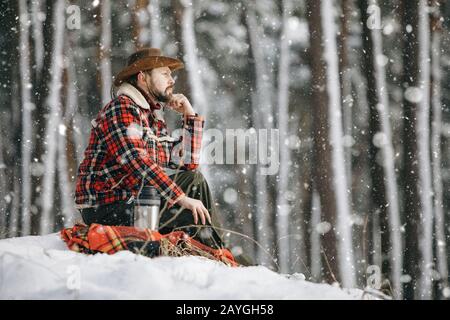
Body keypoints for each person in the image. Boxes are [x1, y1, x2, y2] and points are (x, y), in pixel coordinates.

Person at [74, 47, 224, 249]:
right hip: (107, 209)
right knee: (190, 212)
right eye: (164, 74)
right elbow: (137, 161)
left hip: (136, 201)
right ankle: (221, 255)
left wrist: (189, 115)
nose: (172, 80)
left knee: (194, 181)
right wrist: (180, 198)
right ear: (142, 77)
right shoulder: (122, 107)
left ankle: (220, 252)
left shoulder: (151, 117)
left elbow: (186, 162)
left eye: (171, 75)